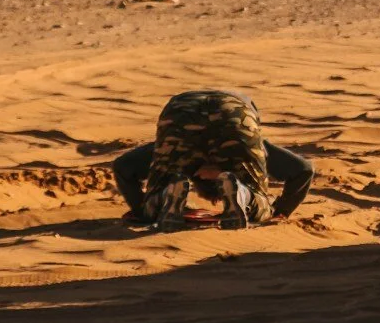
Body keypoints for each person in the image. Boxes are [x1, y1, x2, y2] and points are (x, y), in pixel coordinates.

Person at [111, 89, 313, 230]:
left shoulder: (182, 155)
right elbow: (303, 170)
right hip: (233, 113)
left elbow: (123, 167)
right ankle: (244, 195)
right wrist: (279, 212)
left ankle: (164, 197)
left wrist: (141, 210)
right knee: (259, 202)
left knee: (152, 204)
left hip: (183, 110)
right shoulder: (244, 149)